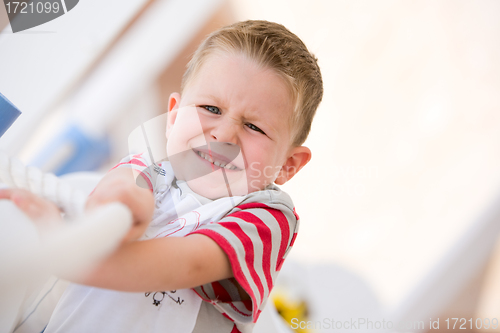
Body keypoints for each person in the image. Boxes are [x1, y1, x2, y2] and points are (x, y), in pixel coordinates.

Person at [1, 20, 323, 333]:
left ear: (288, 165)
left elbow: (190, 265)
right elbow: (116, 193)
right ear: (173, 116)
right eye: (211, 108)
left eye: (254, 127)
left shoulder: (267, 216)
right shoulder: (148, 169)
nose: (224, 134)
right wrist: (125, 198)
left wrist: (68, 252)